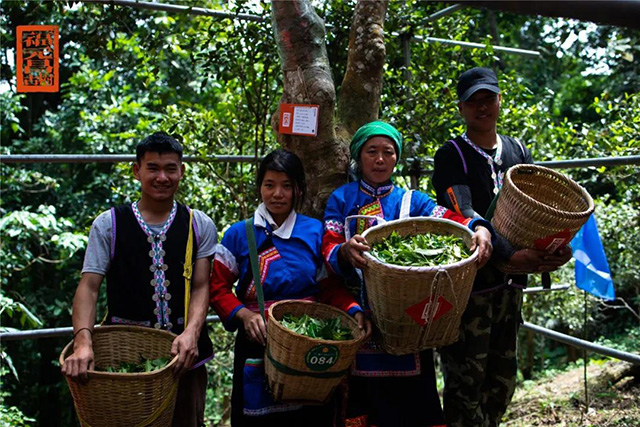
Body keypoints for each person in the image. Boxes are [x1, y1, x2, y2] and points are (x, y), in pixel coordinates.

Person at [321, 121, 495, 427]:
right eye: (371, 151)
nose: (379, 159)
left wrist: (478, 228)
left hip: (412, 322)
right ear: (358, 157)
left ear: (396, 158)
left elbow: (446, 219)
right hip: (361, 319)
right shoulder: (342, 199)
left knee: (416, 406)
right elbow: (329, 250)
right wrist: (346, 251)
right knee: (366, 407)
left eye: (387, 152)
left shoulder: (411, 201)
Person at [432, 67, 572, 427]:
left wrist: (553, 248)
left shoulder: (517, 150)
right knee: (466, 384)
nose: (482, 107)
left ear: (499, 101)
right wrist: (512, 255)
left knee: (502, 383)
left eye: (488, 98)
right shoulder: (452, 155)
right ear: (461, 108)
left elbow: (533, 209)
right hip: (471, 291)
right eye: (473, 101)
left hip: (510, 290)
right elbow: (464, 212)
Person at [61, 132, 217, 427]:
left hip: (183, 360)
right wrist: (83, 342)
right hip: (125, 361)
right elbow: (89, 287)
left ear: (181, 171)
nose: (162, 177)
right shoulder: (108, 224)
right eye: (153, 168)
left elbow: (200, 286)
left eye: (171, 168)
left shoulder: (199, 224)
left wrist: (192, 334)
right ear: (136, 171)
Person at [209, 149, 371, 427]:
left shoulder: (313, 231)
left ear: (298, 190)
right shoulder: (239, 234)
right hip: (258, 340)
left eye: (286, 186)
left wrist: (353, 309)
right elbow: (216, 287)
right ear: (259, 187)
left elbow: (327, 285)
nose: (277, 194)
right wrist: (244, 316)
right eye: (269, 185)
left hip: (309, 341)